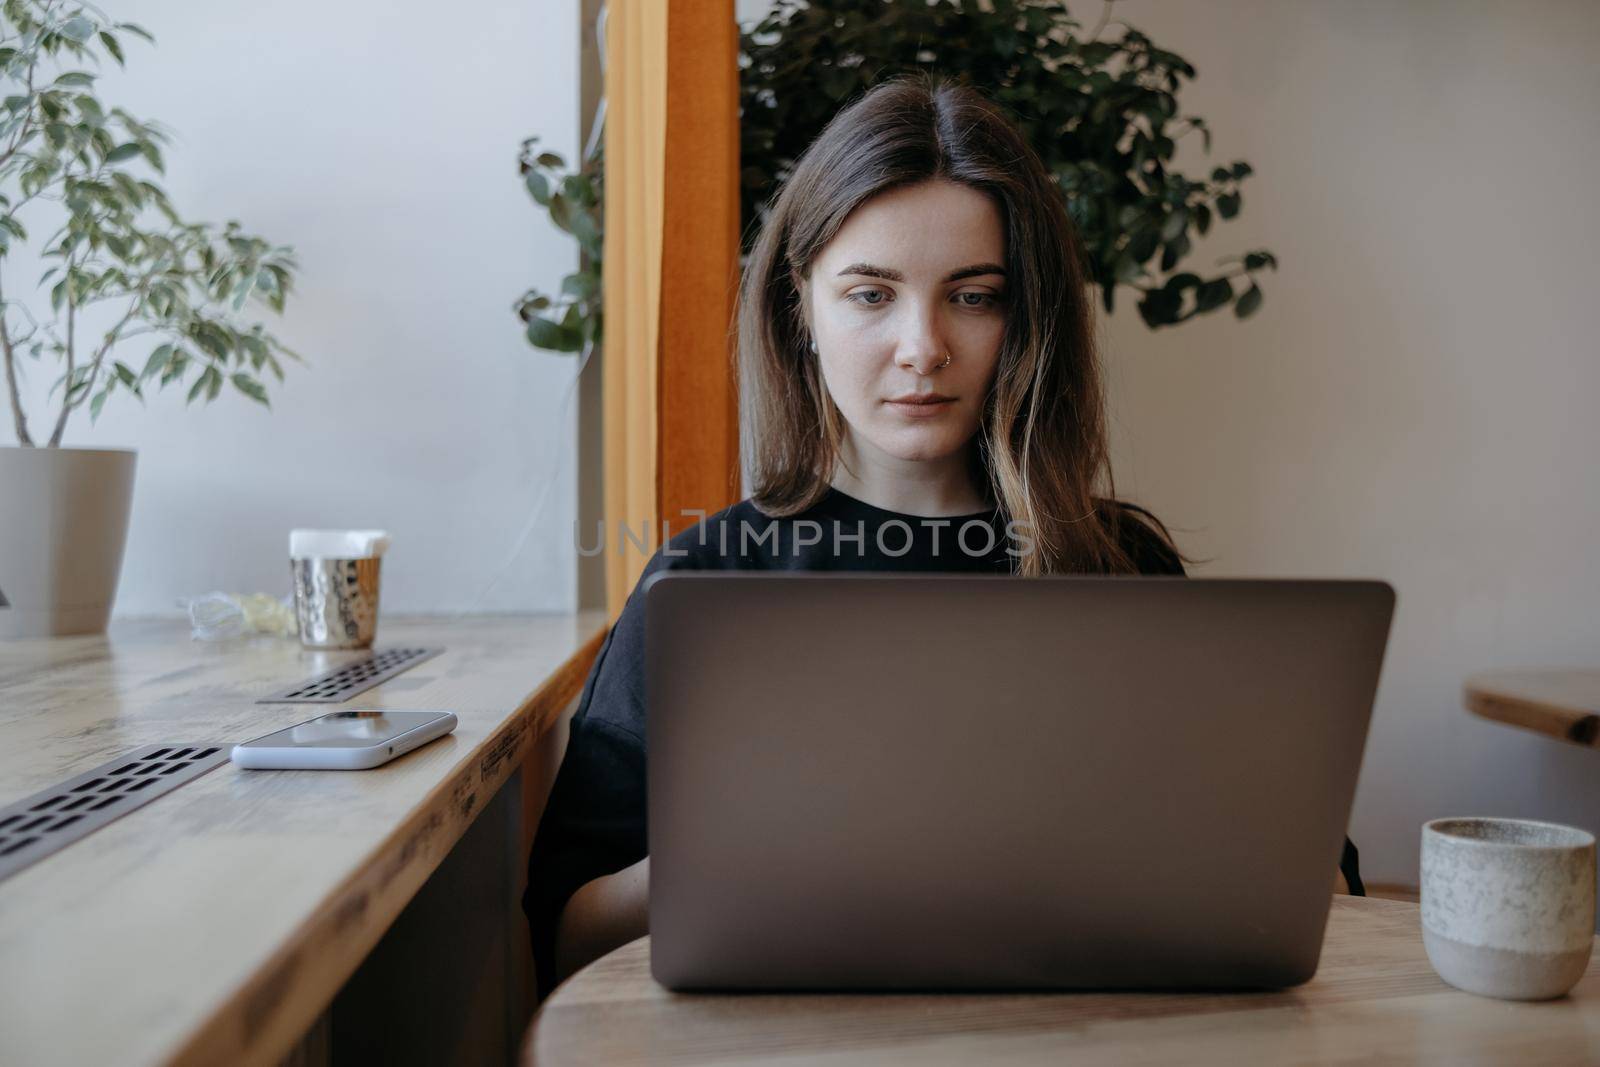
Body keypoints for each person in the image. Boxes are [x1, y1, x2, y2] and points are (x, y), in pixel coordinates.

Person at [524, 76, 1362, 998]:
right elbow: (564, 938)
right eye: (871, 294)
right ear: (802, 305)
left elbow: (1315, 878)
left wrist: (1265, 841)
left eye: (972, 296)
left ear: (1026, 317)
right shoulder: (708, 578)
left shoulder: (1117, 565)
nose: (922, 347)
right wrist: (721, 855)